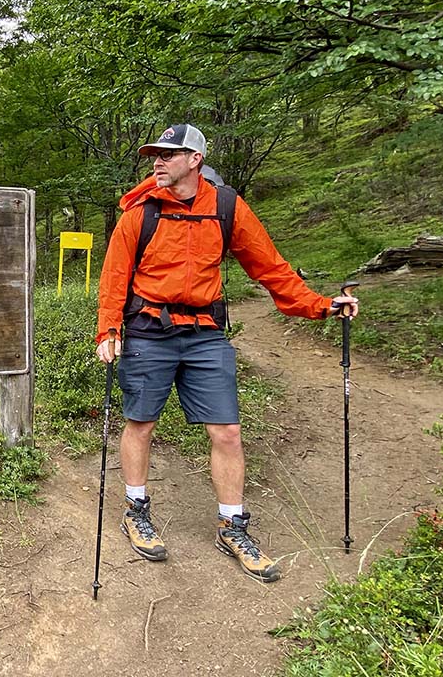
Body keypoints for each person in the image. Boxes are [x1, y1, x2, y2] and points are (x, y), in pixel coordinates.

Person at [94, 123, 359, 583]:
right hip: (147, 331)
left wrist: (319, 305)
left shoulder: (226, 208)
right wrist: (108, 331)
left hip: (205, 334)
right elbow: (115, 276)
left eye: (169, 154)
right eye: (155, 154)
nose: (157, 161)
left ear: (195, 159)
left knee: (229, 431)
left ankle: (232, 525)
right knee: (140, 423)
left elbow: (270, 267)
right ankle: (136, 508)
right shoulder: (140, 213)